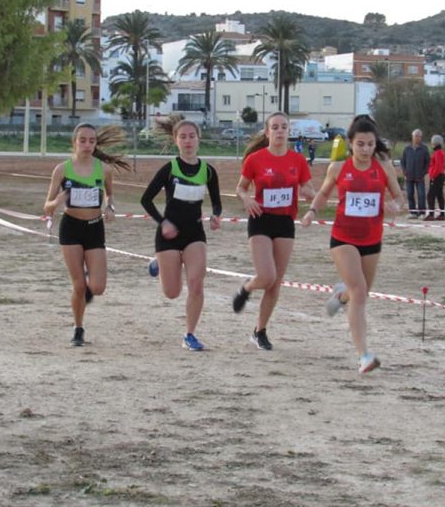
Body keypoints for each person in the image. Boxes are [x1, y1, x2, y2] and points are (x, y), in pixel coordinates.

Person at [301, 114, 404, 373]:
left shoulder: (384, 167)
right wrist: (312, 211)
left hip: (372, 239)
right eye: (360, 144)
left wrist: (396, 206)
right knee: (359, 292)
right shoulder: (338, 168)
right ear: (350, 143)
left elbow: (399, 196)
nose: (366, 149)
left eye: (370, 144)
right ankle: (364, 356)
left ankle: (340, 295)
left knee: (360, 292)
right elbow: (324, 193)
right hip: (343, 238)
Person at [232, 112, 316, 350]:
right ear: (267, 132)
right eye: (275, 127)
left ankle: (260, 331)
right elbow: (241, 188)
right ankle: (247, 287)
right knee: (266, 276)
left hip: (285, 223)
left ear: (289, 131)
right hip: (260, 219)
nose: (280, 131)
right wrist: (246, 198)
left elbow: (307, 187)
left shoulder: (298, 160)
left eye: (284, 127)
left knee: (275, 283)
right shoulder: (255, 159)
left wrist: (319, 196)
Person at [43, 123, 129, 347]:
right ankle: (78, 328)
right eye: (83, 140)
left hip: (94, 227)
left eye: (92, 141)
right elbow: (47, 207)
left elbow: (109, 196)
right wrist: (58, 201)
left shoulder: (104, 169)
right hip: (71, 227)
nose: (87, 145)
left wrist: (110, 208)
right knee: (79, 286)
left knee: (97, 287)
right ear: (74, 142)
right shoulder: (62, 169)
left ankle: (86, 275)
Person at [140, 120, 223, 351]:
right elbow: (145, 200)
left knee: (196, 284)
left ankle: (190, 334)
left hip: (194, 233)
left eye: (191, 136)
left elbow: (217, 203)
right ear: (176, 140)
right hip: (168, 234)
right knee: (172, 292)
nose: (188, 141)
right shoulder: (169, 168)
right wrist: (163, 222)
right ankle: (159, 263)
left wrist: (216, 216)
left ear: (198, 138)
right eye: (183, 137)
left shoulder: (208, 171)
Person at [400, 129, 429, 218]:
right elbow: (403, 161)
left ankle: (422, 213)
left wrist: (423, 172)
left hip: (419, 177)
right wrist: (405, 171)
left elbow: (428, 163)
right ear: (412, 137)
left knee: (421, 195)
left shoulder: (424, 148)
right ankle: (413, 212)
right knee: (409, 194)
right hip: (409, 176)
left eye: (419, 136)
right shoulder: (407, 148)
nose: (418, 138)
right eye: (416, 136)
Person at [423, 135, 445, 221]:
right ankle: (442, 214)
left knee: (431, 195)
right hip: (439, 176)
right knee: (439, 195)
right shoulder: (439, 152)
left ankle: (431, 214)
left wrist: (432, 176)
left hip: (437, 176)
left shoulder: (438, 153)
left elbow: (438, 166)